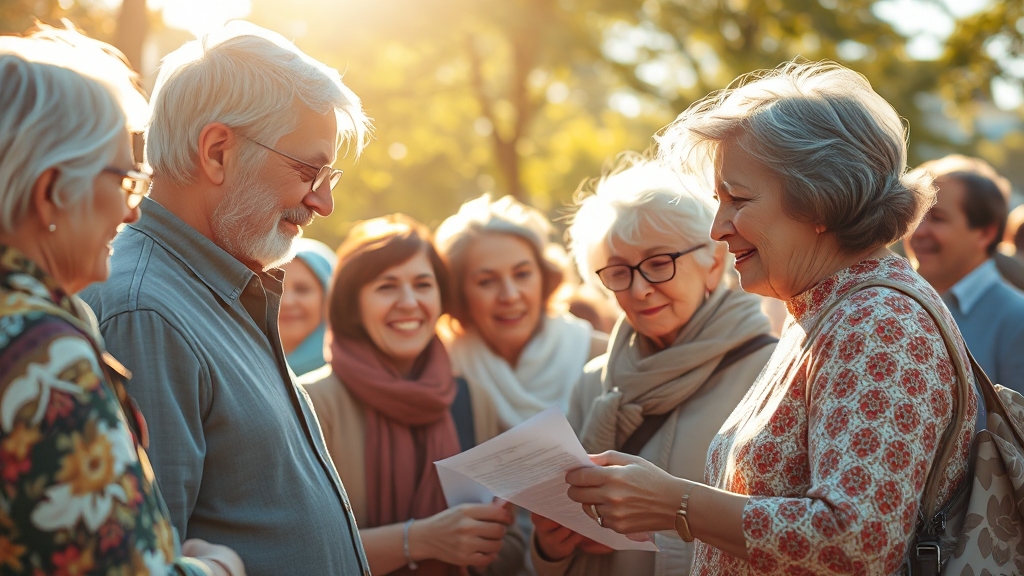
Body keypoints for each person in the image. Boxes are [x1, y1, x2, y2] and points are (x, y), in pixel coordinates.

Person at [562, 60, 978, 574]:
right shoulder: (830, 309)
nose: (718, 228)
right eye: (718, 201)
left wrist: (673, 503)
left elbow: (856, 541)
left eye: (737, 199)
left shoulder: (879, 321)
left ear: (819, 201)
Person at [79, 22, 372, 576]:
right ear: (217, 152)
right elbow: (151, 561)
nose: (323, 203)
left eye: (328, 176)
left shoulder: (209, 288)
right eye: (310, 170)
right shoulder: (147, 313)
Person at [0, 28, 242, 576]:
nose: (131, 211)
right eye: (125, 181)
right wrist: (219, 567)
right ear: (51, 192)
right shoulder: (43, 357)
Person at [530, 156, 776, 575]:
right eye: (619, 271)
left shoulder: (770, 372)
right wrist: (550, 547)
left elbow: (789, 531)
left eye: (659, 263)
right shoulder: (595, 382)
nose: (640, 289)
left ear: (714, 262)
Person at [301, 214, 524, 576]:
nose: (408, 302)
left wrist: (491, 541)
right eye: (386, 287)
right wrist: (420, 541)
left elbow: (509, 547)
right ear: (353, 303)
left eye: (422, 284)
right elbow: (296, 550)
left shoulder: (470, 398)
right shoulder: (310, 402)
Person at [435, 194, 607, 434]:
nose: (510, 295)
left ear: (545, 277)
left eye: (522, 274)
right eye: (486, 281)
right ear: (459, 294)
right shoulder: (442, 371)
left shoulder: (604, 357)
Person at [904, 155, 1024, 393]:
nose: (918, 231)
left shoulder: (1016, 320)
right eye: (915, 216)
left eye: (937, 218)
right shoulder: (898, 298)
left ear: (986, 233)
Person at [281, 238, 336, 376]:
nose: (287, 301)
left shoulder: (354, 373)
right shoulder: (236, 366)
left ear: (328, 297)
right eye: (275, 288)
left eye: (302, 289)